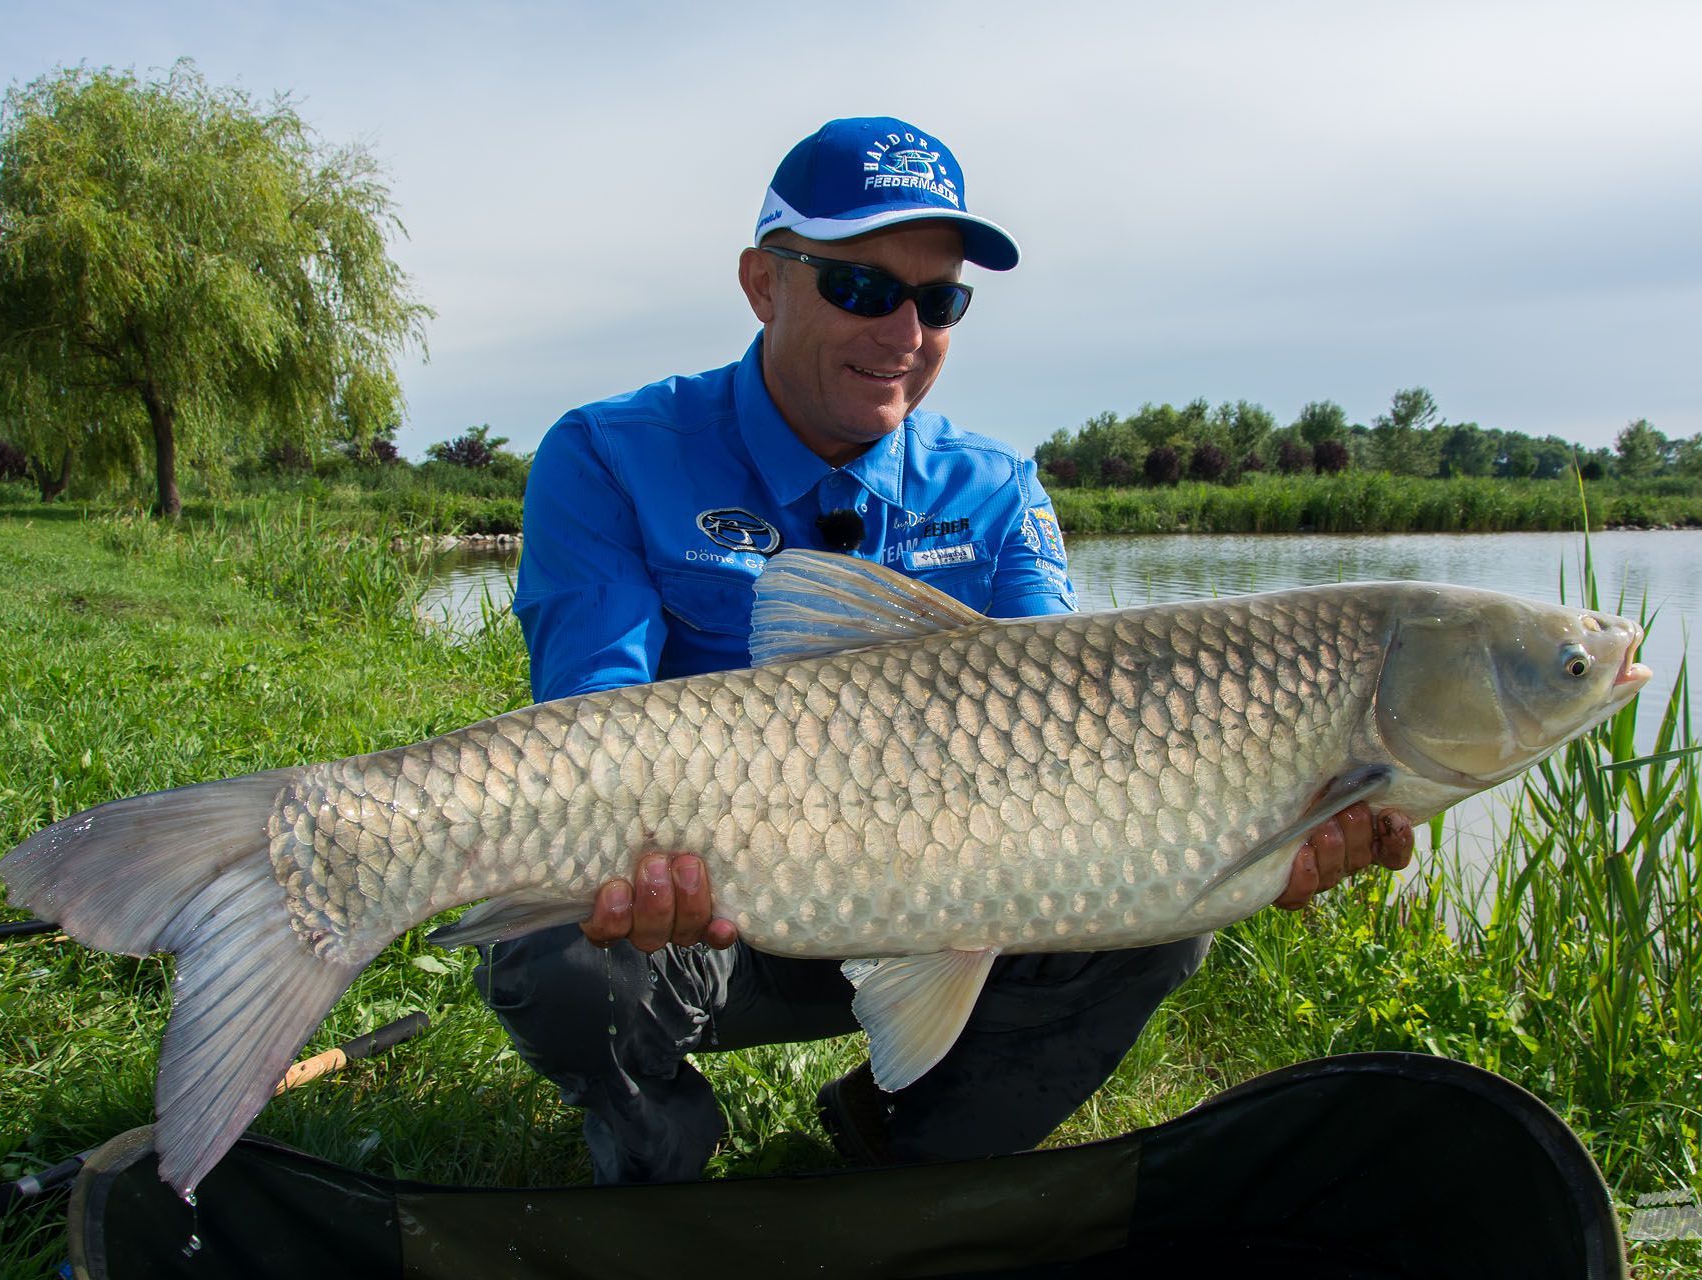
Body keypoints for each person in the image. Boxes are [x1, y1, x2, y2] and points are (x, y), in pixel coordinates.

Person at [480, 117, 1414, 1186]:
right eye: (864, 289)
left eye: (940, 300)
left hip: (956, 887)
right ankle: (665, 1171)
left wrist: (1256, 839)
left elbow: (1090, 741)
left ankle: (895, 1156)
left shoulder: (999, 492)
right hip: (717, 904)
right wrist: (643, 866)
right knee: (558, 953)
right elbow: (589, 726)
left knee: (1168, 915)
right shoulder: (607, 455)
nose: (905, 331)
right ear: (761, 283)